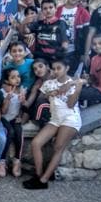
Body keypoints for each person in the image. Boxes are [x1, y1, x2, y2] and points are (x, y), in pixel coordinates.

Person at [24, 59, 84, 190]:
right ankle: (38, 174)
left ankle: (44, 180)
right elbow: (40, 98)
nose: (56, 71)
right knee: (36, 143)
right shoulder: (48, 84)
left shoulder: (74, 84)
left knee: (58, 147)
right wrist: (49, 94)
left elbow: (70, 104)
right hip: (55, 119)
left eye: (59, 68)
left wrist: (76, 88)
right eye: (54, 69)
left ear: (67, 68)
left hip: (70, 119)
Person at [55, 0, 91, 71]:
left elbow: (87, 35)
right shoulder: (58, 10)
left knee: (72, 77)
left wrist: (85, 54)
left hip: (75, 52)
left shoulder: (84, 13)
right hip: (58, 50)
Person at [27, 0, 69, 64]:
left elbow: (65, 43)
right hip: (39, 61)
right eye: (45, 8)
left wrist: (59, 60)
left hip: (55, 61)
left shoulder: (61, 23)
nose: (48, 10)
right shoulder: (38, 24)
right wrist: (24, 22)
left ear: (55, 9)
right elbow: (25, 31)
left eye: (51, 7)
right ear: (42, 11)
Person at [0, 68, 25, 177]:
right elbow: (3, 111)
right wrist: (8, 99)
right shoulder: (2, 91)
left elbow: (22, 108)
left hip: (15, 118)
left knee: (19, 133)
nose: (17, 79)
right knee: (9, 133)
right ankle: (2, 161)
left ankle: (17, 161)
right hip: (4, 118)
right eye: (13, 77)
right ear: (6, 80)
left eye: (18, 76)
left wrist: (20, 115)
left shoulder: (22, 90)